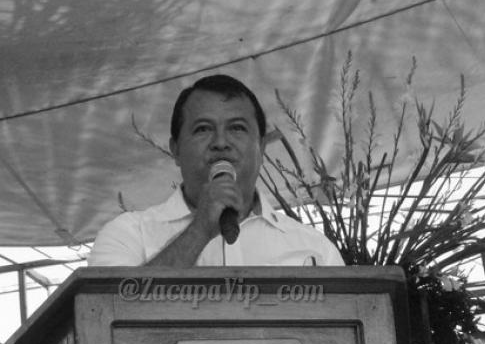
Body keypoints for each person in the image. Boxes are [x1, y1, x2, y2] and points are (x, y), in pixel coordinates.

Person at [88, 74, 344, 266]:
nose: (221, 142)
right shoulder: (129, 235)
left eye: (237, 128)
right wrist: (199, 231)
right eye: (203, 129)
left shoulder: (314, 250)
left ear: (262, 147)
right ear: (176, 149)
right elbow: (113, 312)